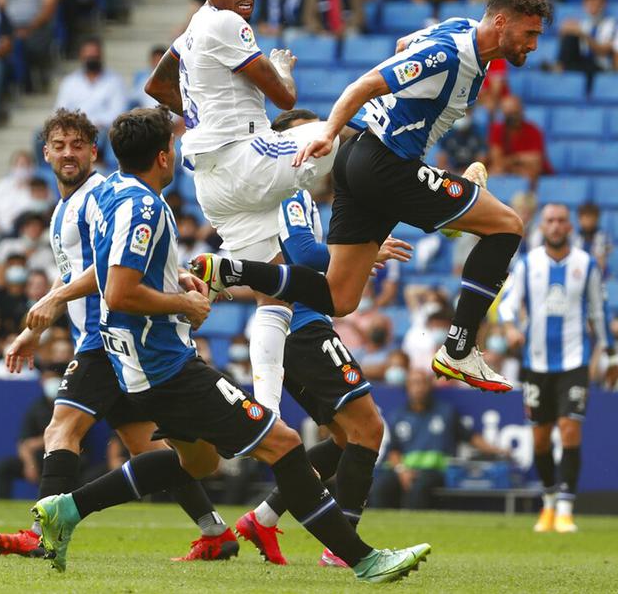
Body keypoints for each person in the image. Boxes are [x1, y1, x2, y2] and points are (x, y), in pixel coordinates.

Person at [31, 106, 431, 581]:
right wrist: (185, 306)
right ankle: (362, 558)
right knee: (282, 445)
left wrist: (176, 278)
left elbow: (112, 269)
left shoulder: (108, 196)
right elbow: (118, 291)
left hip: (138, 367)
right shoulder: (145, 207)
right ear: (164, 156)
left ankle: (69, 508)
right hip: (168, 369)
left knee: (199, 461)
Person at [193, 0, 552, 395]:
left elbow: (403, 43)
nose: (533, 45)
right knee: (507, 225)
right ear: (502, 23)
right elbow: (364, 86)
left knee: (340, 297)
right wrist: (329, 132)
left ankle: (229, 270)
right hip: (384, 164)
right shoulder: (448, 54)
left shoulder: (460, 31)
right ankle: (460, 347)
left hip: (364, 164)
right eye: (529, 34)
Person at [0, 108, 239, 563]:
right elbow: (120, 260)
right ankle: (216, 533)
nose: (68, 153)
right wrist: (32, 331)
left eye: (77, 145)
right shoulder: (63, 207)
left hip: (108, 336)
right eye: (58, 145)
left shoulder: (101, 192)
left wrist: (54, 299)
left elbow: (114, 266)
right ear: (45, 152)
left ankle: (43, 534)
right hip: (108, 340)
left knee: (61, 428)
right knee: (149, 449)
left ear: (93, 152)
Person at [144, 0, 342, 417]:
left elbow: (156, 85)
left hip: (212, 182)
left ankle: (267, 413)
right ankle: (426, 202)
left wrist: (203, 116)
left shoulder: (192, 30)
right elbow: (285, 99)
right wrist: (281, 66)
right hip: (246, 158)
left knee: (274, 292)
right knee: (350, 127)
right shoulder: (228, 23)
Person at [237, 108, 408, 567]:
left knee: (340, 437)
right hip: (305, 329)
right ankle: (343, 542)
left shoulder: (285, 194)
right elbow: (305, 253)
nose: (321, 143)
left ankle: (264, 518)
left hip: (294, 330)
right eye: (306, 135)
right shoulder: (291, 192)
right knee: (368, 428)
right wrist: (361, 252)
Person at [499, 203, 618, 534]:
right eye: (550, 220)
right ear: (542, 225)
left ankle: (565, 507)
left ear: (570, 227)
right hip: (535, 363)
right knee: (539, 440)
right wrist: (509, 327)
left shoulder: (586, 264)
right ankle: (549, 501)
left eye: (561, 221)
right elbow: (508, 304)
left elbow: (598, 312)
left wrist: (610, 356)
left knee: (569, 428)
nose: (555, 226)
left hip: (574, 361)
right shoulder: (527, 264)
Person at [371, 369, 508, 510]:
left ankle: (414, 527)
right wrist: (402, 470)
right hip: (405, 470)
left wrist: (497, 450)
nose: (418, 388)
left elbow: (471, 437)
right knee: (381, 487)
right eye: (414, 383)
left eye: (422, 383)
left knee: (418, 489)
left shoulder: (446, 412)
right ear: (407, 387)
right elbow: (394, 451)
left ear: (430, 385)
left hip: (434, 471)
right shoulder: (398, 416)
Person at [0, 362, 64, 500]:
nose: (50, 382)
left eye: (53, 378)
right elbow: (24, 441)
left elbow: (70, 434)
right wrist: (29, 464)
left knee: (77, 467)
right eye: (46, 378)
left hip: (62, 456)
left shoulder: (70, 405)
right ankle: (1, 505)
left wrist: (40, 441)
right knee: (2, 466)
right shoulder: (36, 407)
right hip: (38, 458)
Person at [53, 39, 127, 139]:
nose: (92, 60)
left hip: (102, 129)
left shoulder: (115, 81)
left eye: (94, 56)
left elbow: (118, 112)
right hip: (73, 128)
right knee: (42, 135)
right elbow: (60, 109)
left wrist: (95, 124)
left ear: (101, 56)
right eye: (88, 57)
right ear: (81, 56)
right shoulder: (69, 82)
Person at [557, 0, 617, 79]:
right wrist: (564, 31)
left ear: (604, 2)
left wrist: (583, 35)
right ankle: (560, 66)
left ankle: (560, 68)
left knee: (586, 65)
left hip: (601, 67)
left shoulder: (612, 24)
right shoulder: (583, 23)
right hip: (582, 63)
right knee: (570, 36)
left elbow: (603, 51)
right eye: (588, 0)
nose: (592, 3)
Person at [489, 93, 552, 182]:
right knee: (494, 172)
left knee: (529, 174)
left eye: (515, 113)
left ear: (521, 110)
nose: (513, 117)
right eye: (509, 114)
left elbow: (536, 161)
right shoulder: (497, 129)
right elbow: (497, 161)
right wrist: (518, 162)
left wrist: (513, 159)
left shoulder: (533, 130)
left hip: (533, 173)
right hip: (511, 170)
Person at [573, 202, 612, 275]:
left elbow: (604, 262)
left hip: (600, 275)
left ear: (597, 218)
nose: (588, 221)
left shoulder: (604, 238)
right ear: (579, 218)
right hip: (577, 273)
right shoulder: (573, 238)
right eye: (585, 217)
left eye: (591, 217)